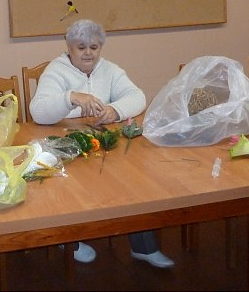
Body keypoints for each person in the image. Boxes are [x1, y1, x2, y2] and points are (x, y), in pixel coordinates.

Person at [29, 19, 175, 268]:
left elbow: (137, 96)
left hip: (101, 144)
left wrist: (114, 110)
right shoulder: (56, 70)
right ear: (69, 47)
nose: (88, 53)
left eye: (94, 47)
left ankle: (144, 247)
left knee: (132, 179)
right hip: (65, 145)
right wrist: (71, 97)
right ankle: (71, 240)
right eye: (81, 47)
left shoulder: (109, 70)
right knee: (67, 187)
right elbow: (38, 112)